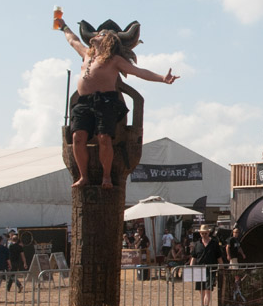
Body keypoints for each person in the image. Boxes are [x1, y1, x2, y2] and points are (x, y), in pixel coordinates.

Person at [56, 16, 179, 189]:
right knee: (78, 137)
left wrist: (162, 78)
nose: (97, 34)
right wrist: (64, 27)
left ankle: (106, 177)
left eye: (102, 34)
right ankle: (83, 176)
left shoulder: (114, 60)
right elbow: (73, 40)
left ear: (108, 41)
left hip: (105, 101)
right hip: (83, 103)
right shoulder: (86, 54)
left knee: (104, 138)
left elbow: (138, 72)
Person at [189, 224, 223, 306]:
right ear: (200, 233)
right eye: (202, 233)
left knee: (208, 289)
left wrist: (222, 268)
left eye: (205, 233)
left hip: (210, 269)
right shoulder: (197, 244)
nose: (204, 235)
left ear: (208, 233)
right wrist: (191, 268)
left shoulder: (214, 244)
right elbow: (193, 257)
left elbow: (219, 257)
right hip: (199, 269)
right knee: (201, 290)